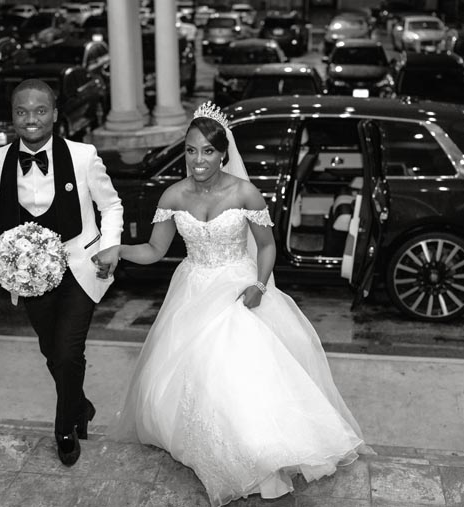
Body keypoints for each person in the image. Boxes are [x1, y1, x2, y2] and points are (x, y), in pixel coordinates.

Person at [105, 102, 365, 506]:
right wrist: (118, 250)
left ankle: (260, 451)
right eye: (191, 151)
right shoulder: (173, 195)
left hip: (237, 289)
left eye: (208, 151)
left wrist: (260, 286)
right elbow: (155, 250)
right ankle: (212, 448)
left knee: (240, 370)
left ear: (223, 153)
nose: (198, 160)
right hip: (193, 290)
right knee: (195, 375)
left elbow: (266, 246)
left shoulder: (244, 192)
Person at [0, 79, 123, 466]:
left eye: (40, 110)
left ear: (56, 115)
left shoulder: (83, 155)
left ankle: (65, 429)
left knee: (66, 350)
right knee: (52, 351)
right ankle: (80, 405)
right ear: (13, 116)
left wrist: (110, 245)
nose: (31, 119)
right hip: (30, 274)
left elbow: (111, 206)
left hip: (81, 266)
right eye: (22, 111)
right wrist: (6, 257)